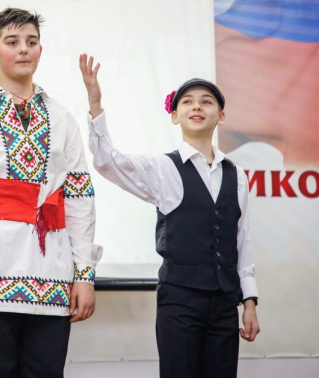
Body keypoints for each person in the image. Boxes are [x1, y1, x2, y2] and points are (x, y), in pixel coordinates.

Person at [0, 8, 102, 378]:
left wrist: (85, 275)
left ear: (41, 50)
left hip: (53, 281)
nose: (24, 49)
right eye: (12, 42)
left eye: (31, 41)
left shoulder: (62, 117)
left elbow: (79, 200)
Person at [80, 54, 260, 378]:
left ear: (220, 116)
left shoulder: (238, 175)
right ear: (175, 115)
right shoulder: (163, 168)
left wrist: (249, 301)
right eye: (187, 101)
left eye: (206, 101)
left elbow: (241, 241)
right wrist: (95, 105)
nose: (197, 106)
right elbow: (108, 162)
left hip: (224, 305)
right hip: (179, 302)